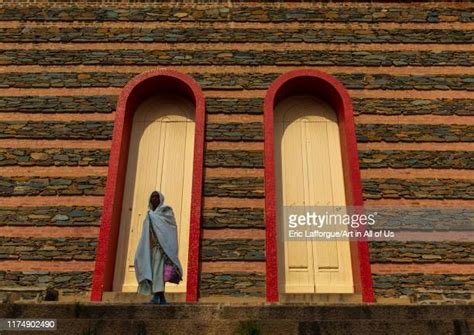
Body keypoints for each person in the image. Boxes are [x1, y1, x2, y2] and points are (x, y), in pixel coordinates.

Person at [134, 191, 183, 305]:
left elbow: (170, 229)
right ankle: (160, 297)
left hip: (162, 249)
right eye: (152, 197)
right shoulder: (149, 215)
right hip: (150, 249)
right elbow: (145, 234)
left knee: (158, 272)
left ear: (161, 199)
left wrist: (166, 245)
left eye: (157, 197)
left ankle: (157, 296)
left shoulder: (167, 212)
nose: (154, 199)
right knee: (151, 271)